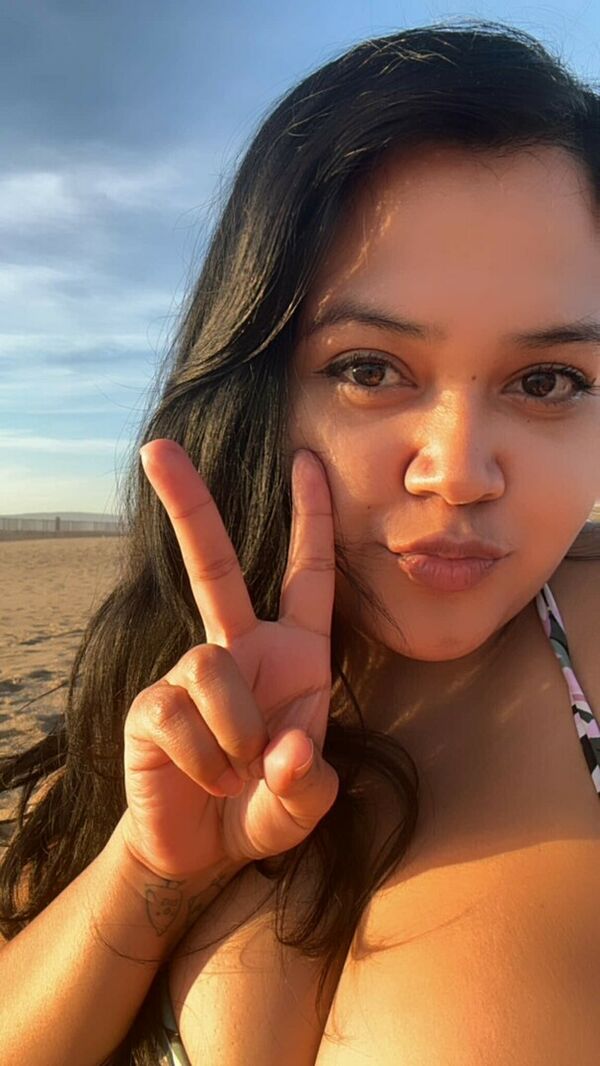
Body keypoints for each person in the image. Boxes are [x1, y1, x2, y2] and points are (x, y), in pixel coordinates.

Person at [1, 16, 600, 1065]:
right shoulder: (162, 680)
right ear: (260, 387)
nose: (459, 471)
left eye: (546, 380)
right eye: (370, 369)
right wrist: (151, 872)